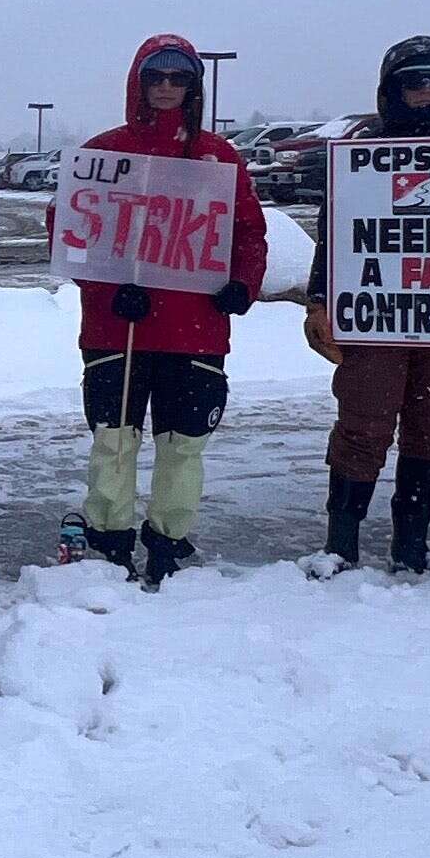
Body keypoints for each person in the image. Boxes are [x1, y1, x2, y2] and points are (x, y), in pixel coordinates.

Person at [67, 34, 268, 587]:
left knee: (183, 449)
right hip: (118, 329)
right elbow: (71, 229)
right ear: (139, 82)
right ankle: (109, 540)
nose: (165, 88)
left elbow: (248, 231)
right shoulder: (105, 152)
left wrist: (241, 283)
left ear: (192, 86)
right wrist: (107, 286)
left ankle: (170, 542)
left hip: (195, 330)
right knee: (114, 441)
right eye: (155, 78)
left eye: (177, 79)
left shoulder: (217, 157)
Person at [307, 35, 430, 575]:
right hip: (376, 311)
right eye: (415, 82)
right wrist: (319, 300)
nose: (428, 94)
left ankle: (412, 541)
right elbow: (335, 231)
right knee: (363, 425)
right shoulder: (363, 155)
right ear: (393, 89)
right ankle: (342, 543)